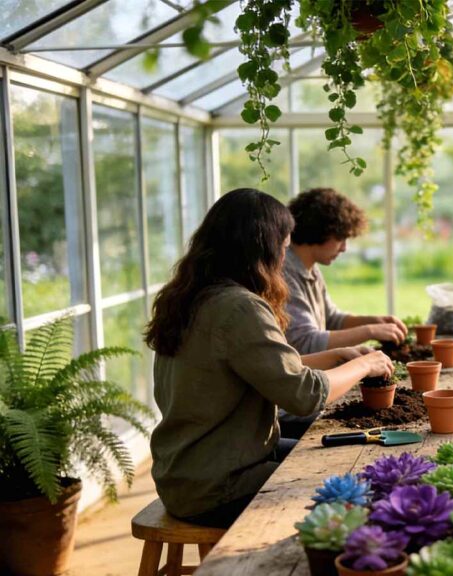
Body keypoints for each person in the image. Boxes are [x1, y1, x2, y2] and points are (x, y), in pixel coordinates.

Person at [145, 188, 394, 529]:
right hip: (218, 485)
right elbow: (304, 396)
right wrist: (363, 365)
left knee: (332, 449)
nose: (284, 255)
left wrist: (335, 355)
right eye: (283, 244)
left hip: (186, 473)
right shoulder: (239, 306)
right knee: (350, 480)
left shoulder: (192, 296)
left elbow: (256, 368)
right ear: (261, 247)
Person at [284, 187, 408, 355]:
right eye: (341, 238)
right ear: (320, 231)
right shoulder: (284, 273)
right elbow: (305, 342)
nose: (344, 248)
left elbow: (331, 319)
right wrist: (369, 331)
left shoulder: (310, 267)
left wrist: (376, 322)